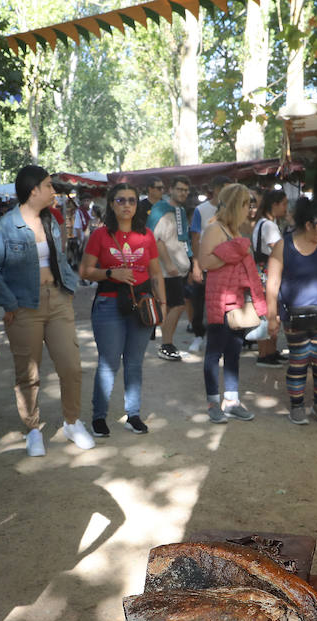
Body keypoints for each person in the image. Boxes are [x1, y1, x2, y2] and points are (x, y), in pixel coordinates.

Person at [0, 164, 95, 456]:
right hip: (23, 306)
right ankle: (33, 429)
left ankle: (72, 422)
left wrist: (67, 290)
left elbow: (60, 259)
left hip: (57, 300)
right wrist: (9, 303)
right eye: (48, 185)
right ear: (33, 190)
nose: (53, 190)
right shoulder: (3, 226)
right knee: (28, 373)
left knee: (70, 366)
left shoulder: (52, 221)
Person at [79, 182, 166, 437]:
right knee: (108, 364)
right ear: (111, 204)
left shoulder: (146, 235)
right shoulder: (100, 235)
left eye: (131, 200)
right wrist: (111, 272)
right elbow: (84, 271)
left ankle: (133, 414)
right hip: (108, 303)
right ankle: (99, 417)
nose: (127, 205)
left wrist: (162, 303)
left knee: (135, 363)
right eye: (121, 200)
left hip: (141, 305)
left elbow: (156, 273)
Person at [267, 196, 317, 425]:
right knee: (298, 362)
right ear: (309, 224)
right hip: (294, 317)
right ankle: (297, 406)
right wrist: (272, 316)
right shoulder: (284, 245)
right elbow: (272, 283)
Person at [198, 183, 266, 423]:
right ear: (238, 205)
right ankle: (213, 402)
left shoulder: (236, 231)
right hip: (220, 301)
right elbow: (205, 262)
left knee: (234, 352)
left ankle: (232, 400)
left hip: (238, 301)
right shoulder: (215, 229)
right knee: (214, 353)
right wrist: (235, 252)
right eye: (247, 203)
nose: (250, 209)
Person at [149, 175, 193, 362]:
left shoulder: (179, 210)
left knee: (174, 305)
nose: (183, 193)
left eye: (186, 190)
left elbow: (181, 239)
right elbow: (156, 239)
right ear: (171, 190)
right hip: (167, 270)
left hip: (178, 268)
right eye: (180, 189)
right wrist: (168, 264)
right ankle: (165, 345)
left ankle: (167, 343)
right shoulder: (161, 209)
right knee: (176, 305)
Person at [187, 175, 229, 354]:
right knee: (199, 301)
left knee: (223, 303)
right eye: (226, 189)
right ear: (217, 189)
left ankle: (221, 338)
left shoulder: (230, 210)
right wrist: (196, 264)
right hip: (205, 264)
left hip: (225, 264)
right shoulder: (201, 210)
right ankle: (198, 335)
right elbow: (195, 238)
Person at [251, 189, 289, 366]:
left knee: (267, 313)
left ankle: (270, 351)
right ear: (274, 205)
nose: (286, 208)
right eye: (284, 204)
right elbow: (278, 249)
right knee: (270, 313)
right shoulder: (269, 225)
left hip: (261, 270)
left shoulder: (261, 223)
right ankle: (265, 354)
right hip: (268, 271)